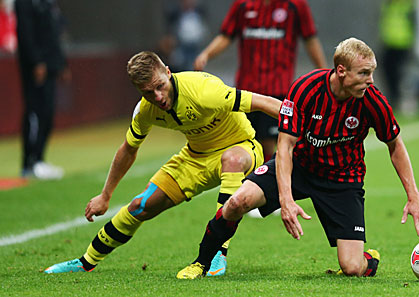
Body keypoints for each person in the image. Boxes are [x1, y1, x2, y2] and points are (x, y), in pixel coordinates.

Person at [177, 37, 419, 279]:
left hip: (342, 179)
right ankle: (201, 261)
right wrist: (286, 200)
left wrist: (414, 196)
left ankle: (368, 259)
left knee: (352, 267)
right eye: (363, 73)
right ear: (341, 71)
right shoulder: (305, 89)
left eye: (371, 73)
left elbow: (395, 145)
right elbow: (285, 147)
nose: (370, 80)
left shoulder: (373, 100)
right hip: (299, 166)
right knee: (237, 202)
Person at [43, 51, 282, 276]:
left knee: (232, 159)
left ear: (168, 72)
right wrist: (105, 195)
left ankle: (218, 252)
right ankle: (85, 263)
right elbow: (128, 149)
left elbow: (264, 102)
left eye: (160, 87)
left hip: (241, 147)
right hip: (195, 156)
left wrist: (302, 126)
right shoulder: (145, 110)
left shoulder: (204, 90)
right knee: (140, 206)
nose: (157, 97)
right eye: (148, 92)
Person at [194, 0, 327, 162]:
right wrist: (206, 54)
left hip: (277, 89)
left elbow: (310, 39)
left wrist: (323, 73)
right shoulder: (242, 5)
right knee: (243, 142)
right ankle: (248, 183)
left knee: (268, 144)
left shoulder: (295, 5)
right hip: (246, 90)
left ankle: (267, 184)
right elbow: (226, 35)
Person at [15, 0, 68, 179]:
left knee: (47, 112)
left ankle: (39, 159)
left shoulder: (47, 3)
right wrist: (36, 61)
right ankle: (29, 162)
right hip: (35, 68)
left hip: (50, 66)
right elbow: (25, 32)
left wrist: (61, 64)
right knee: (35, 112)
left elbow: (55, 32)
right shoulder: (25, 3)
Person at [379, 0, 416, 110]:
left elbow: (414, 25)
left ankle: (405, 101)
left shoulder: (407, 6)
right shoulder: (389, 5)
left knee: (402, 74)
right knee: (388, 72)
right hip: (389, 44)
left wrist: (412, 44)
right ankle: (393, 98)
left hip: (403, 44)